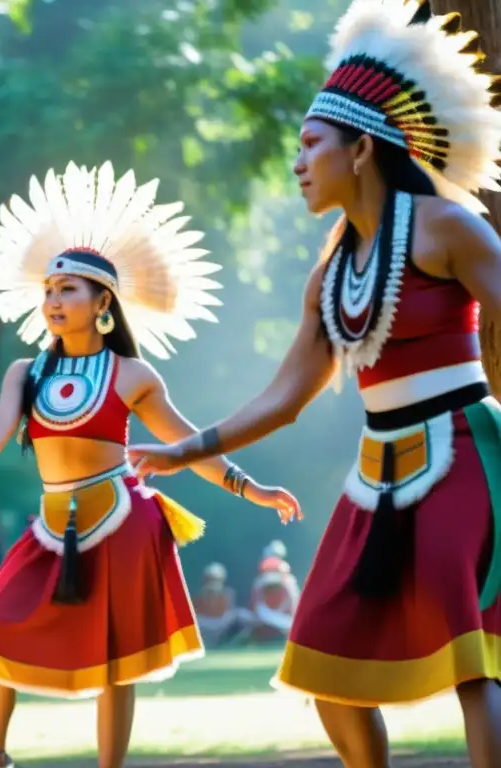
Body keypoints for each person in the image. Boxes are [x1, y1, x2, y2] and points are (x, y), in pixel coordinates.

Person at [129, 2, 501, 765]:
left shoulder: (448, 227)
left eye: (310, 145)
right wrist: (185, 450)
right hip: (378, 472)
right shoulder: (328, 278)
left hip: (467, 453)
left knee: (474, 661)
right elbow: (286, 395)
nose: (298, 163)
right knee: (325, 663)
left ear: (362, 147)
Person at [0, 161, 302, 768]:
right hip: (50, 527)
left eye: (66, 289)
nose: (52, 299)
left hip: (123, 521)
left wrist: (250, 488)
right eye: (47, 290)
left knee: (115, 661)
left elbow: (191, 444)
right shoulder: (27, 372)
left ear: (103, 300)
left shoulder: (132, 374)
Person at [194, 562, 251, 648]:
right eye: (211, 578)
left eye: (216, 578)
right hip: (203, 625)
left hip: (222, 624)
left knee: (244, 615)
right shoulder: (199, 595)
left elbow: (228, 612)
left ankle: (231, 643)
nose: (213, 581)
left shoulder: (228, 593)